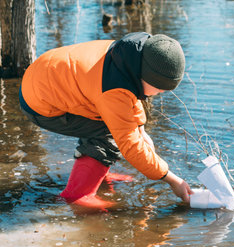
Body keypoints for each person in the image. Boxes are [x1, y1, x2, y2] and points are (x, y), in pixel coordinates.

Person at [19, 32, 193, 211]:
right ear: (147, 76)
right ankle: (78, 195)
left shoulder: (127, 55)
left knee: (117, 121)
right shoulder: (114, 89)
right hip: (39, 103)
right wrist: (172, 179)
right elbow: (130, 145)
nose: (160, 93)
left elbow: (130, 95)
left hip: (41, 76)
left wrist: (141, 129)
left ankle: (97, 174)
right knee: (109, 133)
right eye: (159, 89)